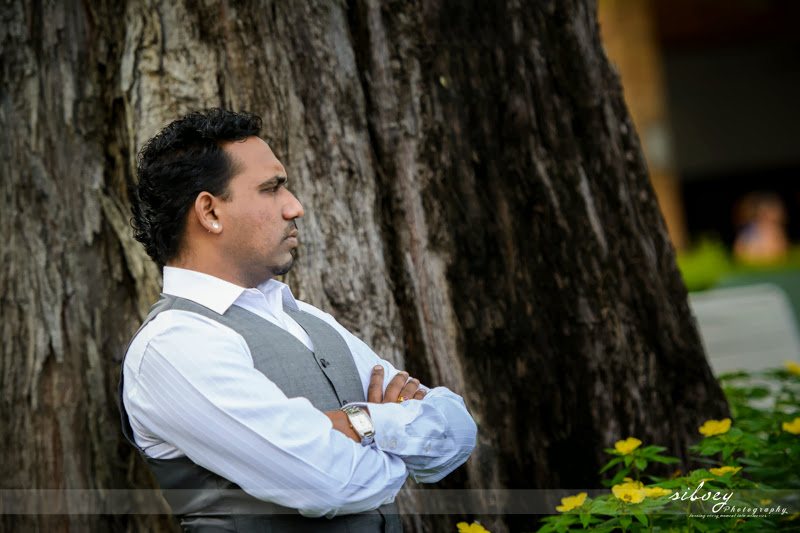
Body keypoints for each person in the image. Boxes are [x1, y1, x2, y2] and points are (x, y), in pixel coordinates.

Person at [118, 108, 477, 532]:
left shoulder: (307, 317)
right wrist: (392, 437)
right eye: (271, 189)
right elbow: (331, 483)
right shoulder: (171, 345)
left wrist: (354, 423)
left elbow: (456, 428)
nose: (295, 207)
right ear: (210, 212)